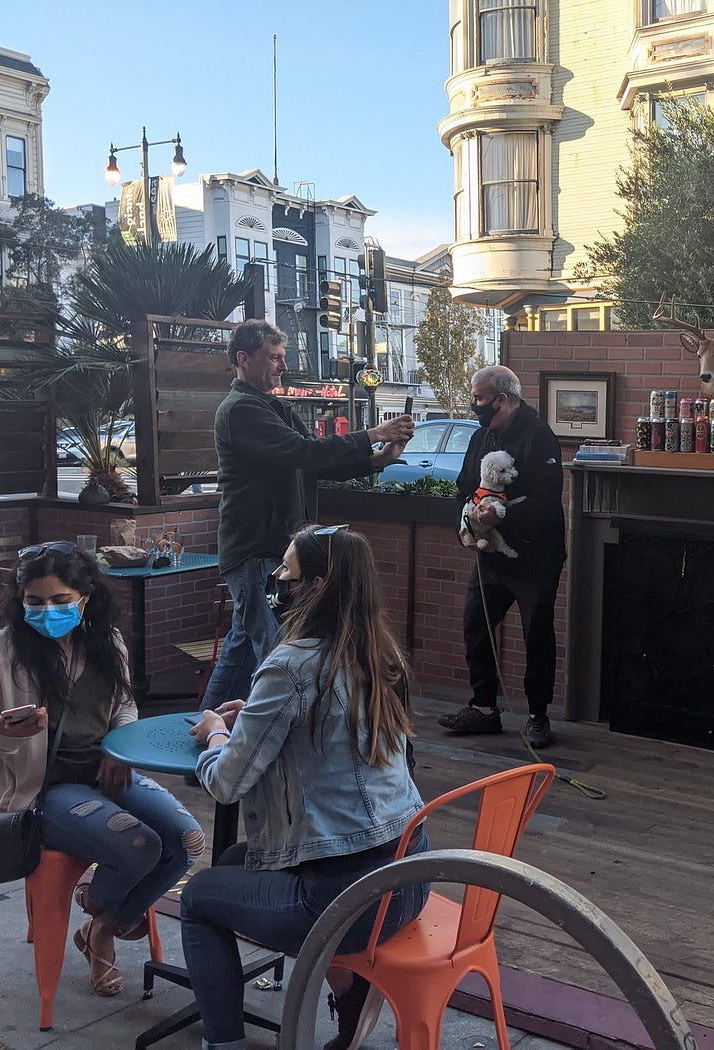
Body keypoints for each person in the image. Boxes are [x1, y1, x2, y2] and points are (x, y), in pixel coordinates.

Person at [182, 526, 429, 1050]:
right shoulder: (377, 652)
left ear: (315, 586)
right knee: (231, 862)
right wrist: (253, 718)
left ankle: (223, 1042)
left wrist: (217, 733)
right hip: (410, 878)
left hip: (347, 901)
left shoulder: (291, 665)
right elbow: (329, 736)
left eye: (286, 571)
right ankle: (349, 998)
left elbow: (227, 782)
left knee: (200, 896)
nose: (276, 579)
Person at [0, 542, 204, 998]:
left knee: (187, 839)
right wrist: (1, 739)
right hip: (41, 791)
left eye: (60, 600)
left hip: (106, 772)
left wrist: (117, 747)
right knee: (140, 843)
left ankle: (102, 923)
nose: (47, 611)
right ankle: (108, 926)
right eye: (34, 601)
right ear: (19, 599)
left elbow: (125, 706)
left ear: (85, 597)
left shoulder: (105, 642)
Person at [202, 319, 414, 713]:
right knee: (277, 651)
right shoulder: (240, 410)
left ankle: (206, 736)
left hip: (276, 549)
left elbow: (314, 462)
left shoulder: (275, 407)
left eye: (283, 357)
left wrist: (375, 460)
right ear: (242, 359)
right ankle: (263, 746)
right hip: (256, 548)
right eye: (273, 358)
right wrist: (372, 434)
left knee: (241, 652)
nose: (282, 366)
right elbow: (303, 452)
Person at [439, 365, 566, 750]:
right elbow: (464, 489)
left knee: (537, 636)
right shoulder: (481, 437)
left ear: (504, 399)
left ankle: (538, 716)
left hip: (536, 556)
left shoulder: (540, 437)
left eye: (479, 399)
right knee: (475, 626)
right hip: (490, 555)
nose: (474, 405)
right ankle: (483, 709)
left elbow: (547, 502)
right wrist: (470, 522)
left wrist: (502, 514)